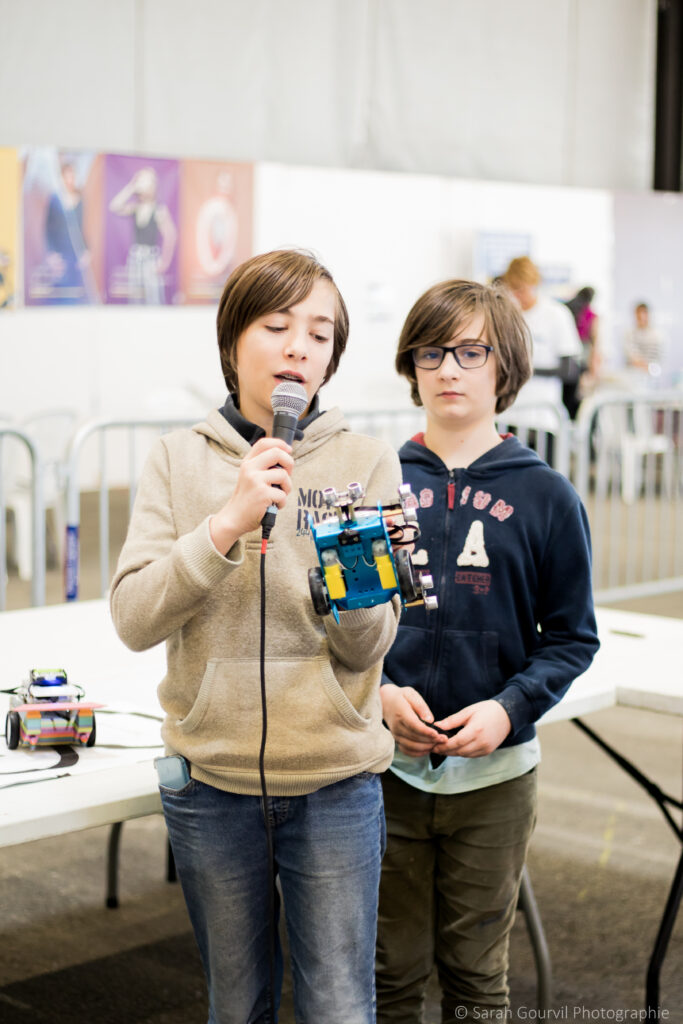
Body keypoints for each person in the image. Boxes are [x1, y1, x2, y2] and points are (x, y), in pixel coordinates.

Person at [110, 249, 402, 1024]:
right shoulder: (177, 460)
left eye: (320, 332)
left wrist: (346, 577)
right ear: (233, 337)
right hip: (211, 784)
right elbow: (135, 618)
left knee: (340, 1004)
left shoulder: (364, 463)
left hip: (336, 779)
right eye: (277, 325)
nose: (299, 346)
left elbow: (366, 647)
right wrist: (227, 524)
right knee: (235, 1005)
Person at [375, 279, 600, 1022]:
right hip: (382, 773)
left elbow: (570, 639)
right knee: (387, 972)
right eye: (431, 352)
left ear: (503, 367)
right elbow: (335, 628)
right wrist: (375, 693)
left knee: (475, 978)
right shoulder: (377, 486)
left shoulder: (546, 497)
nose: (448, 370)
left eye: (470, 352)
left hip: (496, 779)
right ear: (410, 367)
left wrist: (508, 711)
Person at [502, 256, 583, 424]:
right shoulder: (506, 316)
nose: (518, 295)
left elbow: (569, 370)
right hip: (509, 414)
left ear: (533, 284)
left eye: (522, 289)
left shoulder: (556, 314)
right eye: (514, 289)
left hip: (542, 415)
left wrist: (526, 370)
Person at [109, 166, 177, 303]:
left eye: (149, 182)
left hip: (150, 259)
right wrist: (131, 186)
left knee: (153, 299)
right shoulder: (136, 208)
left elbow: (171, 235)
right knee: (136, 299)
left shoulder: (159, 210)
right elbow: (114, 206)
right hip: (135, 259)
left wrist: (164, 262)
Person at [564, 286, 600, 417]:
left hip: (567, 363)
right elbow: (595, 342)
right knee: (581, 399)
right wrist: (594, 369)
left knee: (567, 400)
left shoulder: (567, 308)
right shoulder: (591, 315)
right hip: (582, 360)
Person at [623, 301, 668, 388]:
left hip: (653, 378)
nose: (641, 317)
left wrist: (649, 368)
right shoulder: (629, 334)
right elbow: (631, 356)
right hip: (632, 378)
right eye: (638, 314)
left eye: (644, 313)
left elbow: (660, 359)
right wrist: (641, 365)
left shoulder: (658, 335)